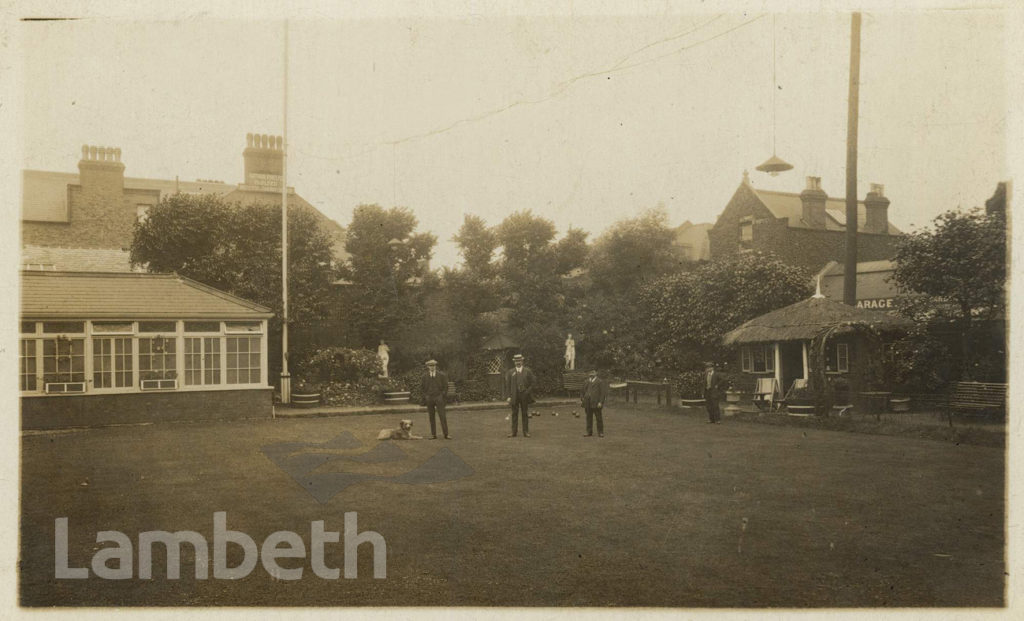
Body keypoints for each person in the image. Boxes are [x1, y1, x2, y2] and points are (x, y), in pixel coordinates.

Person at [503, 353, 535, 438]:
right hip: (514, 396)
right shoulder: (510, 372)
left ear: (522, 361)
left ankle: (526, 432)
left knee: (525, 414)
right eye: (516, 361)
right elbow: (508, 385)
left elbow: (533, 383)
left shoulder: (528, 371)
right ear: (514, 362)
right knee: (514, 414)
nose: (518, 362)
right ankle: (514, 432)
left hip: (524, 396)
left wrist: (527, 392)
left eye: (519, 361)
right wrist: (509, 396)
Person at [420, 359, 450, 439]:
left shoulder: (441, 375)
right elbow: (422, 388)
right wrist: (426, 396)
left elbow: (445, 387)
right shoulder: (424, 376)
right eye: (430, 366)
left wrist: (442, 395)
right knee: (431, 417)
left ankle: (446, 434)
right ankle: (433, 435)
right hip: (429, 398)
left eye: (433, 365)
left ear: (435, 366)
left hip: (439, 397)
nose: (432, 367)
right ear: (428, 367)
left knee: (442, 416)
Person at [580, 368, 609, 437]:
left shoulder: (600, 382)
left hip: (596, 403)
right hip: (587, 402)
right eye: (590, 372)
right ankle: (589, 432)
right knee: (588, 418)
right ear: (588, 374)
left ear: (596, 373)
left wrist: (600, 402)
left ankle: (600, 432)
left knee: (598, 418)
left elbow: (603, 393)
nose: (592, 373)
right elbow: (582, 391)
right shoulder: (586, 381)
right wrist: (582, 398)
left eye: (593, 372)